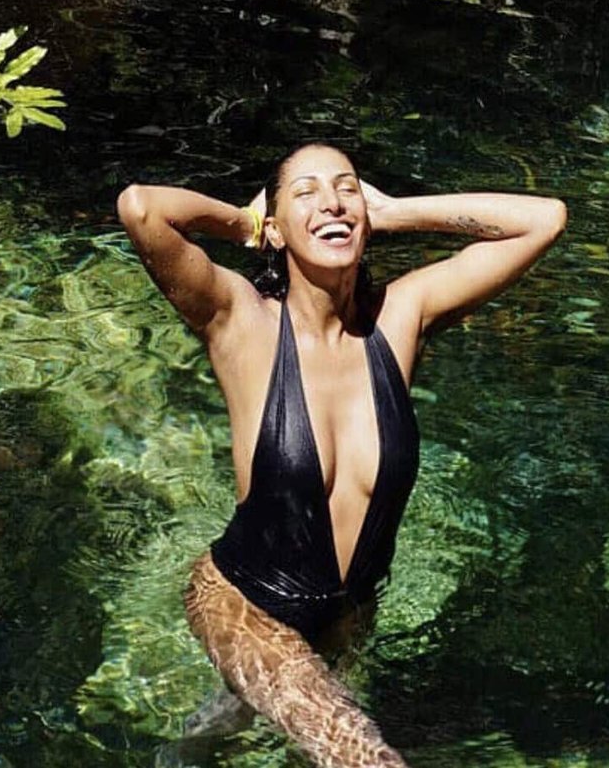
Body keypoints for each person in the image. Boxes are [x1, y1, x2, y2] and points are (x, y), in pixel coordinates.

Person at [117, 144, 566, 768]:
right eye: (305, 192)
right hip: (243, 603)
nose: (330, 201)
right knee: (366, 759)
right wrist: (247, 226)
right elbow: (141, 209)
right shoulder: (240, 322)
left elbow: (544, 219)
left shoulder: (401, 318)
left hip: (348, 614)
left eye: (345, 188)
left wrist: (393, 212)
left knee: (261, 726)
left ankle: (188, 750)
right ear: (277, 225)